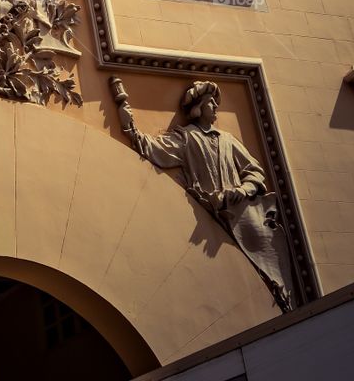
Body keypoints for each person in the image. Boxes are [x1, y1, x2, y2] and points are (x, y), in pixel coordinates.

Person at [115, 78, 293, 310]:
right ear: (198, 107)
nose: (216, 107)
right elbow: (155, 149)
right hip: (211, 217)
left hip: (243, 217)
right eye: (210, 102)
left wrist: (242, 190)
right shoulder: (187, 138)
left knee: (271, 268)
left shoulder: (228, 141)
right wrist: (131, 128)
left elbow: (255, 172)